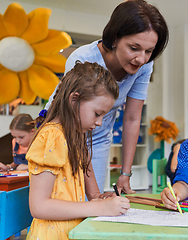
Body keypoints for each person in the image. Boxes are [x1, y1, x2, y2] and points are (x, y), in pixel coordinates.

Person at [45, 0, 169, 194]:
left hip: (99, 137)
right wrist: (94, 196)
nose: (142, 59)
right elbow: (73, 124)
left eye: (149, 51)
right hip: (64, 132)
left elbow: (132, 118)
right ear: (115, 38)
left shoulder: (144, 65)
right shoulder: (84, 58)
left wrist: (125, 174)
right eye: (134, 48)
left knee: (92, 205)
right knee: (69, 197)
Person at [26, 61, 130, 240]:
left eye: (104, 116)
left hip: (74, 231)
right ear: (74, 99)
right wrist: (100, 207)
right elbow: (39, 207)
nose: (99, 123)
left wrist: (104, 199)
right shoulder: (52, 136)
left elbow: (94, 196)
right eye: (97, 114)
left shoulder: (76, 138)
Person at [0, 113, 35, 212]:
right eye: (14, 137)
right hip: (18, 179)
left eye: (21, 137)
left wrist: (28, 166)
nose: (17, 140)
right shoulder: (15, 143)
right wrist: (7, 167)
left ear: (32, 132)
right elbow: (17, 164)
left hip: (33, 182)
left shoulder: (39, 143)